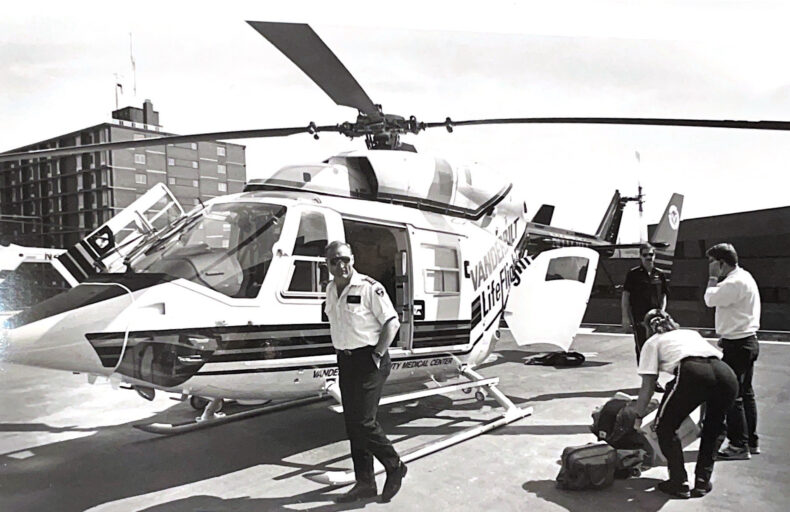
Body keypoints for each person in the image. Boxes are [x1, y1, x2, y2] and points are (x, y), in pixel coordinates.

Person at [323, 240, 407, 503]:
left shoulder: (370, 287)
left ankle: (395, 466)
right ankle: (365, 483)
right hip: (346, 361)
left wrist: (378, 354)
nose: (341, 265)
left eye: (345, 259)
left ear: (353, 259)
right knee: (353, 424)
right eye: (335, 261)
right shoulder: (330, 289)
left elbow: (392, 322)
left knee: (363, 422)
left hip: (370, 360)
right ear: (327, 264)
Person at [624, 309, 737, 499]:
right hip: (726, 374)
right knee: (714, 428)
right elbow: (710, 372)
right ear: (672, 321)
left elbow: (648, 385)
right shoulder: (690, 333)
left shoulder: (652, 342)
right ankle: (702, 482)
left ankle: (678, 482)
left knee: (664, 428)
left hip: (692, 372)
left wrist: (638, 416)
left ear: (648, 328)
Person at [704, 243, 761, 460]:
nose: (710, 266)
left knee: (732, 395)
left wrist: (712, 278)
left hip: (738, 346)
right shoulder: (745, 276)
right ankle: (751, 441)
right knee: (746, 394)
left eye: (712, 262)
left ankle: (738, 445)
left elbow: (710, 300)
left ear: (721, 263)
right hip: (746, 340)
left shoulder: (732, 283)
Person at [621, 243, 669, 391]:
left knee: (656, 349)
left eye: (651, 254)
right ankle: (646, 381)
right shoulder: (633, 274)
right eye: (645, 255)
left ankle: (655, 381)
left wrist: (662, 312)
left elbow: (664, 295)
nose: (648, 257)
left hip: (656, 319)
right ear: (640, 256)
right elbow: (626, 296)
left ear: (655, 256)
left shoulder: (660, 274)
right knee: (642, 349)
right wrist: (625, 317)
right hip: (639, 318)